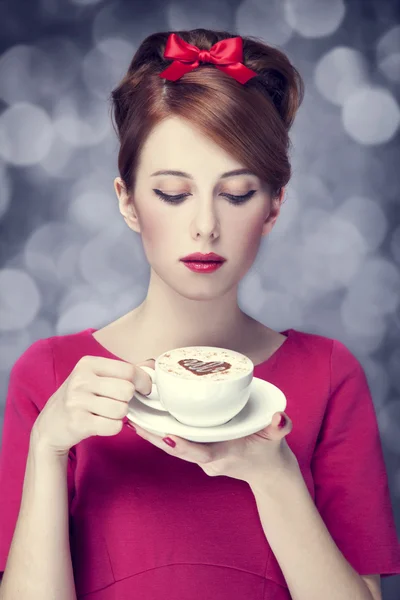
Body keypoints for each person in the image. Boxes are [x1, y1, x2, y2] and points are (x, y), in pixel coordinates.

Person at [0, 28, 399, 600]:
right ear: (127, 201)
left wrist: (273, 474)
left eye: (236, 193)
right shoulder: (53, 376)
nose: (205, 226)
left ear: (273, 207)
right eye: (172, 193)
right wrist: (47, 448)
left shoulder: (329, 375)